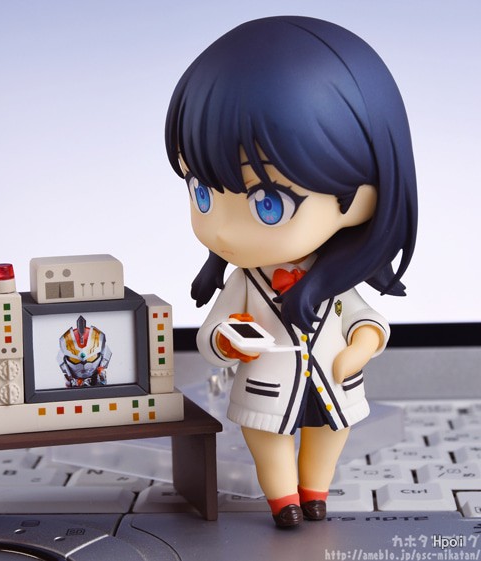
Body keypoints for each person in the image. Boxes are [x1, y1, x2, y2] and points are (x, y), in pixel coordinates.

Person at [164, 16, 417, 528]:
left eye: (268, 202)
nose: (225, 231)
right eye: (201, 192)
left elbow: (366, 320)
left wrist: (361, 347)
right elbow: (212, 333)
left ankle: (315, 491)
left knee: (330, 433)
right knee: (268, 437)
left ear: (365, 195)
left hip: (332, 382)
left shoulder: (337, 280)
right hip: (267, 387)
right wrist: (228, 342)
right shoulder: (245, 281)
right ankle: (283, 500)